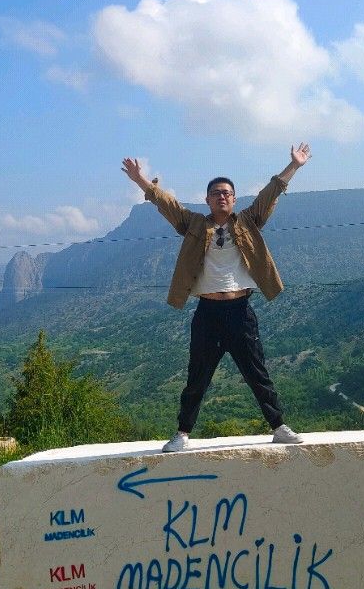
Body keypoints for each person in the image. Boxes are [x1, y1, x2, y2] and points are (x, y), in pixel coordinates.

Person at [121, 144, 312, 452]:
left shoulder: (248, 220)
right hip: (207, 312)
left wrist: (294, 166)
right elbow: (165, 202)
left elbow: (272, 192)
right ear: (207, 200)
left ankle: (278, 426)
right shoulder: (194, 224)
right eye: (215, 193)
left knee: (257, 372)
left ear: (234, 199)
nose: (221, 197)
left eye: (226, 193)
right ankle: (183, 433)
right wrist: (140, 180)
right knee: (197, 376)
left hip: (240, 310)